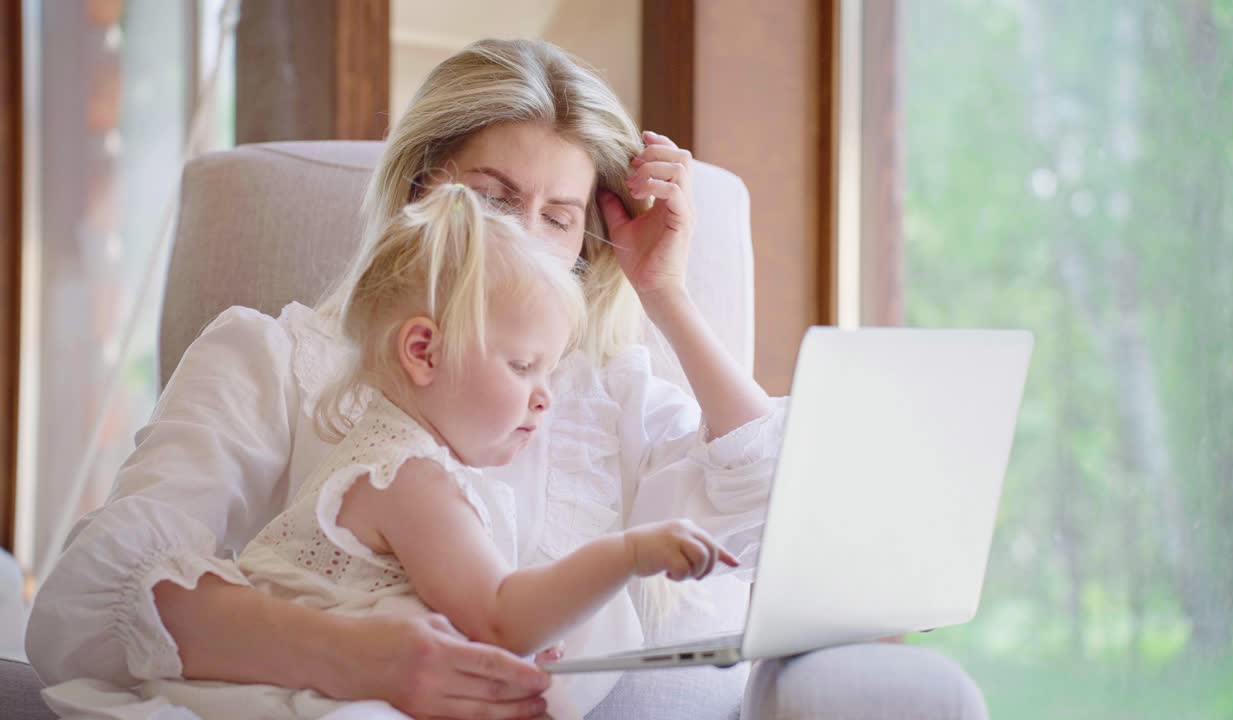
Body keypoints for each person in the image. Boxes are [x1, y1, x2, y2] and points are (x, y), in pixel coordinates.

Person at [28, 38, 988, 720]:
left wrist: (668, 298)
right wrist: (357, 657)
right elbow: (86, 608)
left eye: (562, 216)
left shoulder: (602, 391)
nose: (525, 236)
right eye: (491, 200)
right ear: (419, 198)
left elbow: (779, 518)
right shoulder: (271, 358)